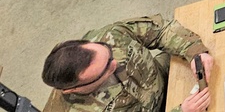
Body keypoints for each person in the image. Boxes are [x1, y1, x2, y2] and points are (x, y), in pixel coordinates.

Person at [41, 15, 213, 112]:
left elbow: (160, 31)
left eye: (107, 52)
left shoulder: (109, 36)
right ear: (73, 89)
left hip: (164, 79)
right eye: (105, 69)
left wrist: (195, 52)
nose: (115, 63)